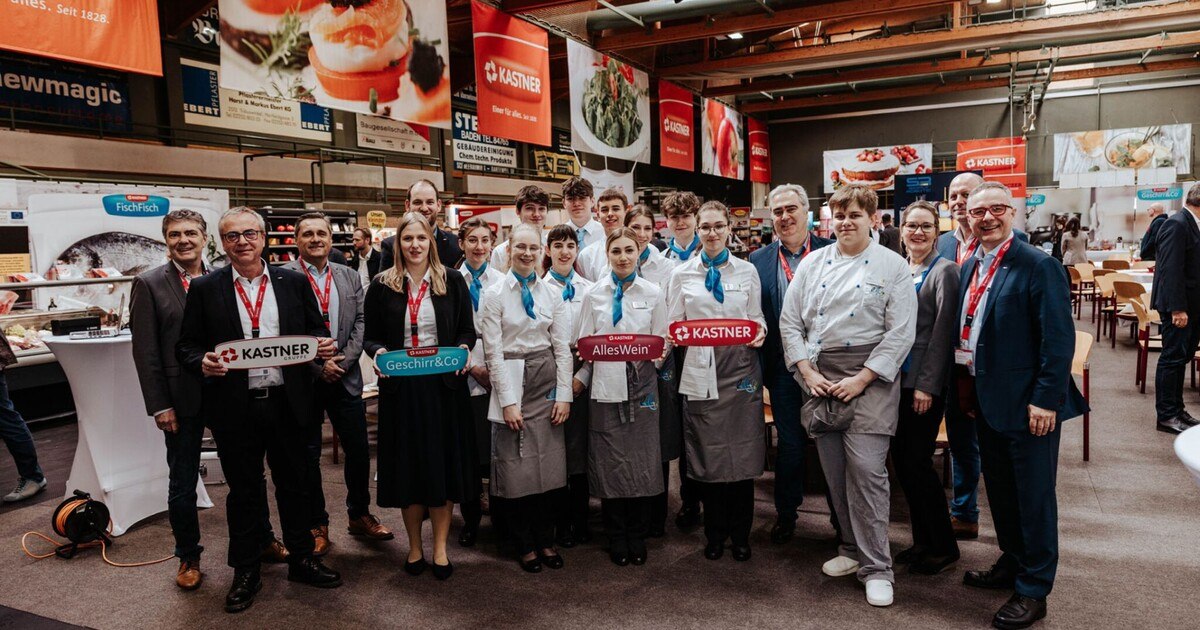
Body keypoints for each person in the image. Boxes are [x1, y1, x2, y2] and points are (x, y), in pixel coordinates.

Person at [176, 207, 342, 613]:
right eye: (232, 236)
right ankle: (246, 570)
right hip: (236, 407)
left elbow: (316, 330)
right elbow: (186, 346)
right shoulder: (205, 288)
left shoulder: (293, 282)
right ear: (222, 243)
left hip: (289, 402)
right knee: (244, 492)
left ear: (264, 238)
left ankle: (302, 559)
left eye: (250, 233)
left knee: (295, 485)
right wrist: (202, 361)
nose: (242, 242)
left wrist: (322, 343)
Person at [953, 182, 1086, 629]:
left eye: (996, 209)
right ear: (968, 218)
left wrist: (1046, 400)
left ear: (1012, 213)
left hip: (1031, 407)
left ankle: (1034, 589)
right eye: (978, 212)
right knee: (1002, 493)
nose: (986, 217)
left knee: (1034, 499)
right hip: (987, 401)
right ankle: (1012, 561)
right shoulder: (971, 264)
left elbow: (1058, 339)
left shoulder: (1038, 265)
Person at [779, 184, 916, 608]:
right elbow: (789, 322)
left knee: (867, 471)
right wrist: (806, 371)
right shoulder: (813, 263)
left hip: (871, 375)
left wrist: (863, 378)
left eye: (855, 214)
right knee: (835, 471)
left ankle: (878, 568)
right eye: (839, 215)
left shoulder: (892, 265)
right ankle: (852, 549)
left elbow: (900, 333)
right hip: (822, 375)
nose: (846, 222)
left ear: (872, 218)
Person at [364, 212, 475, 581]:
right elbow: (371, 337)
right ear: (398, 243)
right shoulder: (382, 285)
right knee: (409, 469)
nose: (415, 245)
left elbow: (466, 330)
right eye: (407, 238)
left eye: (421, 238)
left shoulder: (452, 280)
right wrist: (378, 352)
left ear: (431, 242)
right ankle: (414, 547)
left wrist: (463, 349)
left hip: (443, 388)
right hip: (402, 390)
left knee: (442, 468)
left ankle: (440, 548)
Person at [285, 213, 393, 557]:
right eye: (308, 234)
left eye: (321, 233)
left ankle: (359, 514)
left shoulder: (348, 275)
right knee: (308, 455)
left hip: (346, 377)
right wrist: (318, 367)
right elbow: (284, 331)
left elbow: (361, 321)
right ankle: (317, 524)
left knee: (358, 451)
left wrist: (343, 362)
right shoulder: (284, 276)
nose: (315, 239)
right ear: (297, 240)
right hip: (305, 380)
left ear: (331, 240)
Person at [666, 201, 767, 563]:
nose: (711, 233)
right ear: (697, 229)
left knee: (741, 453)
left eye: (718, 226)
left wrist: (760, 332)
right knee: (708, 455)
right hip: (700, 368)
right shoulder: (681, 274)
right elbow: (674, 322)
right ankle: (714, 533)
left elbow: (756, 317)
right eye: (705, 226)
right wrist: (673, 336)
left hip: (740, 370)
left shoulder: (747, 271)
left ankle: (740, 535)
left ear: (728, 229)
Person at [934, 171, 1030, 540]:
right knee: (961, 441)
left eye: (968, 194)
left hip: (996, 366)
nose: (961, 202)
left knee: (998, 452)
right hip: (954, 361)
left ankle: (1012, 533)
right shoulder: (942, 243)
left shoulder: (1014, 245)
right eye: (955, 196)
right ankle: (965, 511)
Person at [478, 223, 573, 573]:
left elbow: (562, 348)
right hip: (511, 378)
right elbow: (493, 353)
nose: (527, 253)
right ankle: (524, 542)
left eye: (533, 247)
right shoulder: (494, 294)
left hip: (545, 382)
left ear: (541, 251)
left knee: (548, 467)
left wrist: (564, 395)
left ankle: (546, 539)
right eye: (520, 246)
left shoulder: (551, 293)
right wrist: (507, 401)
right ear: (509, 249)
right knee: (516, 467)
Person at [130, 210, 217, 589]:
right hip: (179, 398)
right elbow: (145, 351)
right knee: (182, 481)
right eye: (175, 234)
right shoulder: (148, 284)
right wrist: (159, 405)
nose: (183, 240)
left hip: (226, 392)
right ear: (166, 240)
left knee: (247, 473)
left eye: (191, 233)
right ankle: (188, 557)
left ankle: (260, 539)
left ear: (204, 238)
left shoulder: (222, 277)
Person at [574, 228, 666, 566]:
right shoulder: (593, 294)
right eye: (616, 251)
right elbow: (584, 342)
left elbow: (662, 340)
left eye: (629, 250)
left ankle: (637, 533)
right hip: (605, 384)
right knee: (610, 459)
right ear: (608, 255)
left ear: (639, 253)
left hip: (643, 384)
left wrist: (646, 362)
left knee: (642, 458)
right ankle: (616, 534)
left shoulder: (653, 292)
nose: (623, 257)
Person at [749, 184, 834, 545]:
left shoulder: (833, 251)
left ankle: (841, 519)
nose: (785, 217)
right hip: (783, 369)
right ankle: (786, 514)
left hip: (827, 366)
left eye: (791, 209)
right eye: (778, 211)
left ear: (806, 212)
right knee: (790, 444)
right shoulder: (758, 260)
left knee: (831, 443)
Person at [891, 201, 961, 575]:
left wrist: (927, 386)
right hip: (897, 381)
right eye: (911, 226)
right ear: (901, 230)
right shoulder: (902, 268)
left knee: (918, 463)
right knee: (904, 463)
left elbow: (942, 333)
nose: (918, 232)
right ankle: (922, 541)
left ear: (937, 231)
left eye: (926, 226)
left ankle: (943, 546)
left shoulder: (945, 271)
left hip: (922, 385)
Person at [455, 218, 507, 548]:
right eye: (472, 240)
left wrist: (496, 371)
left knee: (497, 451)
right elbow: (445, 331)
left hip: (498, 370)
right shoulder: (448, 280)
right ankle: (470, 520)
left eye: (484, 240)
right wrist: (473, 368)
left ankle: (502, 517)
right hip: (463, 372)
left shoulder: (502, 281)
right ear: (461, 244)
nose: (478, 246)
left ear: (492, 244)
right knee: (469, 453)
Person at [542, 224, 595, 547]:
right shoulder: (537, 288)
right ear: (548, 250)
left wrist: (582, 377)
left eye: (570, 246)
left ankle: (581, 520)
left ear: (577, 250)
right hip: (548, 371)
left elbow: (598, 338)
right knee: (553, 449)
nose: (564, 252)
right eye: (558, 245)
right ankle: (558, 523)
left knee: (579, 450)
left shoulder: (590, 290)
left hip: (582, 371)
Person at [658, 190, 704, 532]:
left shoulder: (711, 251)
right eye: (675, 217)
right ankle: (686, 499)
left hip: (700, 349)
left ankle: (700, 496)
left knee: (699, 424)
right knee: (672, 423)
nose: (681, 222)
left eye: (686, 215)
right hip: (668, 351)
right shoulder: (659, 258)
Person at [1151, 184, 1200, 434]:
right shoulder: (1177, 224)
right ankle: (1167, 415)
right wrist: (1177, 309)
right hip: (1178, 308)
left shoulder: (1190, 224)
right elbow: (1170, 270)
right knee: (1172, 359)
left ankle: (1177, 410)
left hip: (1190, 307)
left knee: (1181, 358)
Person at [380, 180, 463, 272]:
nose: (424, 208)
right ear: (407, 205)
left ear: (439, 205)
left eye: (430, 202)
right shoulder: (390, 246)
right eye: (417, 202)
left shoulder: (455, 245)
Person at [491, 185, 550, 270]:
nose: (536, 214)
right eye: (530, 208)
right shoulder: (500, 252)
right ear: (518, 211)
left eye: (541, 209)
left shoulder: (555, 248)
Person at [577, 187, 629, 280]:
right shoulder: (586, 256)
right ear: (598, 216)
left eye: (615, 209)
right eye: (605, 210)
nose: (610, 214)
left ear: (626, 212)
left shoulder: (641, 249)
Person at [561, 176, 603, 251]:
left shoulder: (605, 234)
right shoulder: (555, 236)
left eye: (582, 198)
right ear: (564, 203)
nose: (577, 203)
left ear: (592, 201)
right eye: (571, 199)